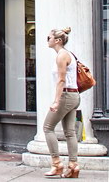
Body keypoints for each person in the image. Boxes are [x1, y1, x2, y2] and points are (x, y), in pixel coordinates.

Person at [43, 27, 80, 178]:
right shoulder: (67, 54)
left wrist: (56, 101)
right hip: (74, 95)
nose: (47, 40)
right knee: (70, 133)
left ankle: (57, 164)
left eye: (49, 38)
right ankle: (73, 166)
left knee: (47, 128)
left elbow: (61, 80)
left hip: (66, 95)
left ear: (57, 40)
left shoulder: (61, 56)